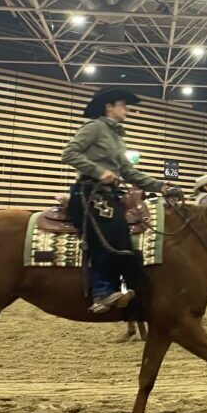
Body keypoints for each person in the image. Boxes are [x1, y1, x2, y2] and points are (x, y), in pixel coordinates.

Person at [62, 88, 176, 313]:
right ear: (109, 107)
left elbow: (129, 172)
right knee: (109, 231)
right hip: (89, 192)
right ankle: (102, 292)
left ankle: (128, 286)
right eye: (123, 105)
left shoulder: (116, 137)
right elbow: (69, 153)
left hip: (108, 194)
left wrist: (160, 186)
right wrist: (98, 171)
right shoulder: (95, 128)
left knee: (123, 232)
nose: (127, 110)